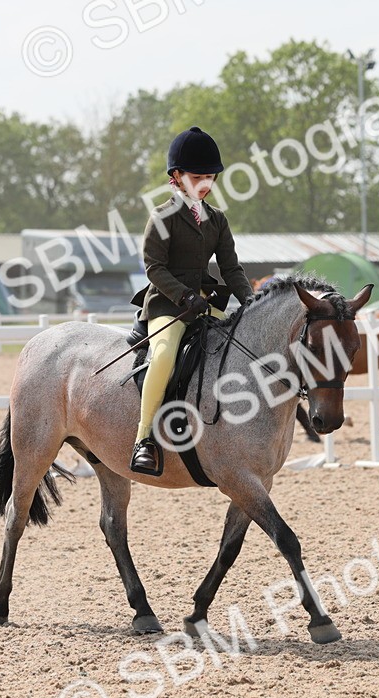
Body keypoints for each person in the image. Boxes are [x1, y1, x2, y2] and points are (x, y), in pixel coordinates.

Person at [129, 126, 254, 475]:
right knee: (166, 355)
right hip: (168, 305)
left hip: (204, 305)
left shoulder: (217, 219)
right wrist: (183, 295)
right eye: (197, 176)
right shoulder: (164, 217)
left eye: (210, 177)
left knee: (236, 349)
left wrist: (252, 301)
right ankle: (144, 439)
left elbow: (231, 268)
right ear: (177, 177)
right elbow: (154, 267)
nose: (205, 183)